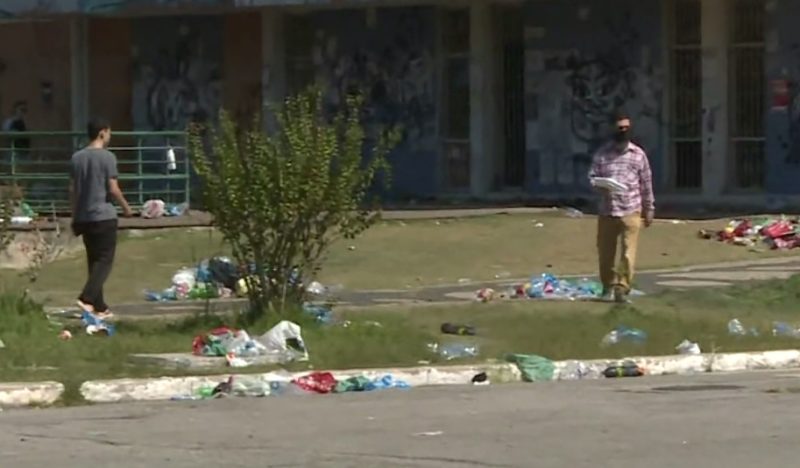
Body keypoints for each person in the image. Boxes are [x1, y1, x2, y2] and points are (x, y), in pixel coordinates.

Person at [69, 117, 133, 317]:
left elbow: (73, 191)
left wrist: (74, 215)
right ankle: (87, 298)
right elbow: (113, 189)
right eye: (109, 132)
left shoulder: (77, 158)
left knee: (94, 261)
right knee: (105, 260)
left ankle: (99, 306)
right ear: (102, 132)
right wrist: (126, 208)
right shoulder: (108, 158)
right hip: (103, 215)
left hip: (84, 216)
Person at [588, 112, 654, 303]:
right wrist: (600, 185)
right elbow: (592, 177)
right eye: (619, 128)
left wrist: (649, 208)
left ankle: (622, 287)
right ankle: (607, 287)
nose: (623, 131)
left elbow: (646, 183)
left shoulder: (638, 155)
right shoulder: (602, 154)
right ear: (612, 129)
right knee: (605, 254)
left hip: (631, 209)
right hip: (607, 211)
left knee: (628, 252)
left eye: (626, 128)